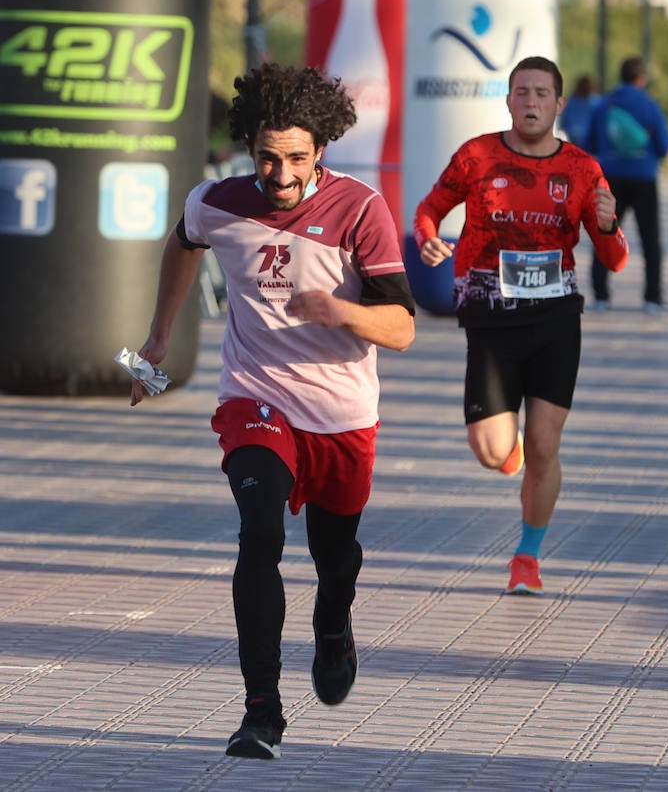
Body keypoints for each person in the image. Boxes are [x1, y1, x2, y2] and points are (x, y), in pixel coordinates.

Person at [130, 64, 417, 760]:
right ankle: (261, 710)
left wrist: (337, 309)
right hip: (255, 398)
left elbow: (402, 328)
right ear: (248, 145)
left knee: (334, 558)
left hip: (343, 413)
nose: (280, 173)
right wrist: (160, 336)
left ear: (321, 149)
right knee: (259, 534)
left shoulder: (359, 209)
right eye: (266, 155)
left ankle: (333, 623)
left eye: (295, 157)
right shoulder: (218, 202)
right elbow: (182, 242)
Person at [414, 55, 629, 596]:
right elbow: (427, 211)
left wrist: (606, 224)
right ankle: (509, 455)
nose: (531, 102)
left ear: (559, 104)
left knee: (545, 446)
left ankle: (527, 557)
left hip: (556, 319)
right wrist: (427, 239)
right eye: (521, 92)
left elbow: (616, 258)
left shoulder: (582, 169)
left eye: (542, 94)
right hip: (490, 320)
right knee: (491, 450)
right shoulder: (477, 156)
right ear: (508, 101)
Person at [583, 56, 668, 312]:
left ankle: (601, 296)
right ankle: (652, 298)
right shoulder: (650, 106)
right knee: (650, 239)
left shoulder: (603, 105)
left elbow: (588, 143)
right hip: (644, 177)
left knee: (606, 234)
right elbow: (665, 145)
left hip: (610, 178)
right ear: (642, 78)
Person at [558, 74, 600, 149]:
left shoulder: (570, 103)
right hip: (591, 141)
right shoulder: (597, 102)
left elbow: (563, 125)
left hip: (574, 139)